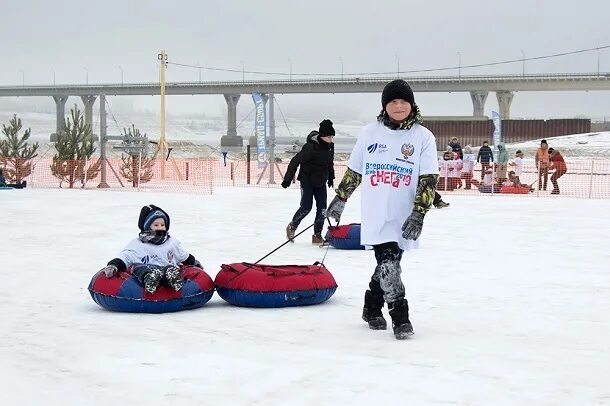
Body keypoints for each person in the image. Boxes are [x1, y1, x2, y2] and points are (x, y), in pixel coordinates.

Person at [325, 79, 439, 340]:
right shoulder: (369, 133)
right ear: (385, 106)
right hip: (377, 213)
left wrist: (419, 213)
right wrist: (341, 199)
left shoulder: (423, 137)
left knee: (390, 264)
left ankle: (371, 306)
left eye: (403, 101)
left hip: (404, 215)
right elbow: (355, 169)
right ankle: (400, 317)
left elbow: (429, 178)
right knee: (389, 265)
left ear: (412, 105)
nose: (398, 106)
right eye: (393, 101)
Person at [99, 205, 201, 293]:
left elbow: (183, 255)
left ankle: (173, 278)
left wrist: (194, 262)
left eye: (163, 225)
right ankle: (150, 279)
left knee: (170, 269)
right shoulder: (137, 244)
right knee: (139, 268)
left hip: (166, 270)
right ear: (147, 227)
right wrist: (114, 265)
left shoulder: (172, 243)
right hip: (146, 270)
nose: (160, 227)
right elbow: (125, 257)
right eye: (156, 225)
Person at [282, 119, 335, 244]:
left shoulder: (330, 147)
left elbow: (329, 162)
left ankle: (317, 235)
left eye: (332, 136)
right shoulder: (310, 147)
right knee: (306, 207)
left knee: (322, 208)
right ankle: (292, 226)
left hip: (321, 180)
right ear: (322, 136)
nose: (331, 139)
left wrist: (331, 177)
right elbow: (295, 161)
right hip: (307, 180)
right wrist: (287, 179)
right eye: (329, 136)